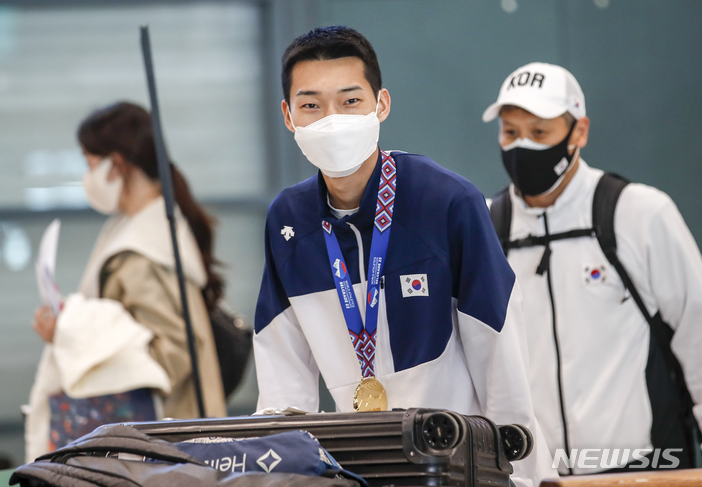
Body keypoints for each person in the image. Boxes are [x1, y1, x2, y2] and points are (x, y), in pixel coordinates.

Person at [253, 26, 556, 486]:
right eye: (310, 104)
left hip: (459, 466)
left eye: (350, 100)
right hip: (355, 470)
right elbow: (283, 376)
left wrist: (523, 476)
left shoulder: (448, 201)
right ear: (288, 116)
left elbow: (499, 353)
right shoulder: (287, 221)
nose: (330, 118)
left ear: (382, 104)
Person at [483, 62, 702, 474]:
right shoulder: (487, 226)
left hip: (644, 467)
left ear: (578, 132)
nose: (521, 146)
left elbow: (698, 333)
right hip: (534, 475)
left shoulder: (639, 212)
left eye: (539, 132)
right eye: (511, 132)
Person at [26, 102, 225, 461]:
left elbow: (171, 355)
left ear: (115, 165)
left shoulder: (143, 251)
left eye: (89, 165)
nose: (86, 179)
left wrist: (69, 334)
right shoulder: (141, 228)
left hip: (162, 448)